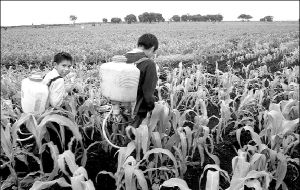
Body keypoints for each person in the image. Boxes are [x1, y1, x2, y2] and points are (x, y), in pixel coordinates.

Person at [124, 33, 159, 130]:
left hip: (118, 104)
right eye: (154, 52)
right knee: (134, 136)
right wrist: (153, 107)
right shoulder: (149, 64)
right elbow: (148, 93)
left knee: (122, 130)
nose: (152, 55)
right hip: (136, 110)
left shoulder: (123, 58)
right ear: (152, 48)